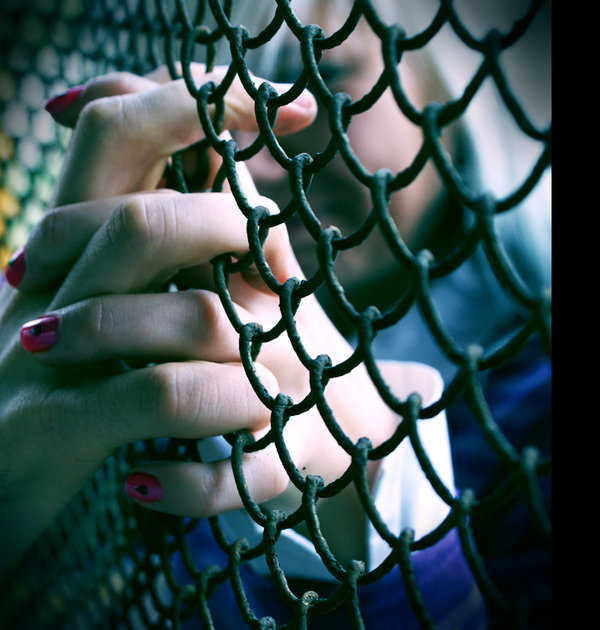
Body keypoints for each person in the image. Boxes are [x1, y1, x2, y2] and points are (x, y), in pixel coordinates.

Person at [0, 0, 550, 628]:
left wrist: (384, 505)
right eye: (209, 107)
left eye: (312, 78)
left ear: (441, 73)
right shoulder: (159, 320)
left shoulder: (535, 388)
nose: (251, 166)